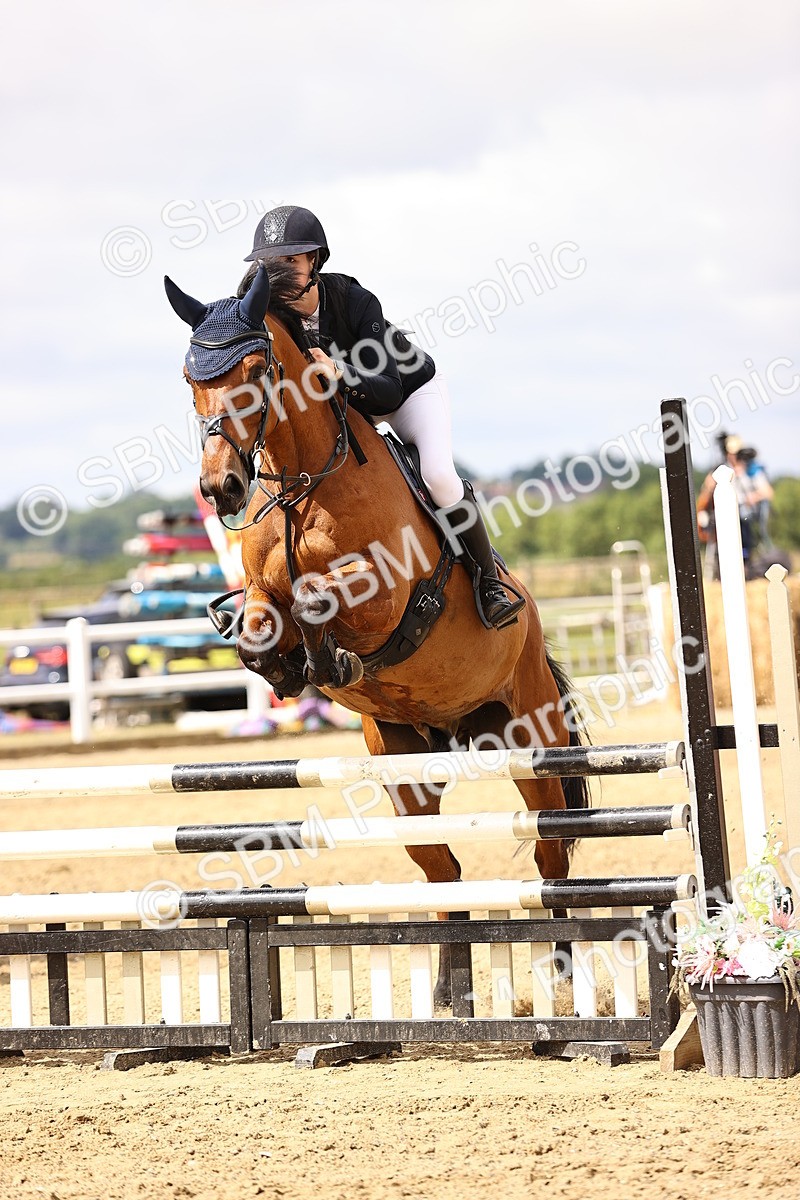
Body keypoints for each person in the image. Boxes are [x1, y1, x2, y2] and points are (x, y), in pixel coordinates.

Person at [239, 204, 524, 629]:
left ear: (315, 261)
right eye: (270, 264)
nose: (279, 272)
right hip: (349, 410)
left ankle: (489, 582)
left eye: (291, 262)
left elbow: (388, 387)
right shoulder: (276, 319)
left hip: (408, 394)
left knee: (439, 476)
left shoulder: (355, 301)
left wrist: (341, 374)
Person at [696, 434, 773, 579]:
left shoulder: (752, 470)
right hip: (725, 514)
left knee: (743, 520)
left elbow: (767, 492)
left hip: (746, 513)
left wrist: (753, 497)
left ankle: (746, 563)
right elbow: (706, 489)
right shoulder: (720, 469)